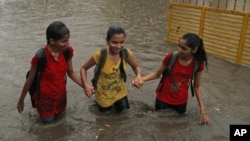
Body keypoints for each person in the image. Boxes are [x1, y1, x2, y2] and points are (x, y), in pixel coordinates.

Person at [133, 33, 210, 124]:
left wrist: (203, 111)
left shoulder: (198, 64)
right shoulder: (171, 57)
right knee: (158, 124)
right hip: (162, 99)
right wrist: (141, 79)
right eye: (179, 46)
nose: (179, 50)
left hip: (181, 102)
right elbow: (157, 74)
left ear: (194, 50)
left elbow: (196, 87)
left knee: (178, 126)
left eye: (184, 48)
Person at [17, 21, 83, 123]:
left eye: (68, 40)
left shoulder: (67, 52)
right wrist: (21, 101)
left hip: (61, 99)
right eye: (64, 41)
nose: (68, 44)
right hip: (45, 102)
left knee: (61, 126)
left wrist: (86, 86)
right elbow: (29, 80)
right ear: (52, 41)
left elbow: (71, 73)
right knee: (48, 126)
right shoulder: (40, 57)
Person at [80, 25, 143, 113]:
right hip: (103, 98)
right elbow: (83, 68)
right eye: (114, 42)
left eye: (122, 42)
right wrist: (86, 85)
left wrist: (138, 76)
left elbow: (136, 67)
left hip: (121, 94)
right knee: (106, 123)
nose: (118, 46)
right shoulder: (99, 55)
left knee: (125, 118)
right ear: (107, 41)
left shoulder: (126, 53)